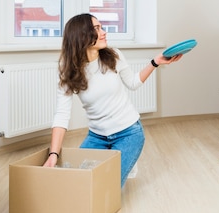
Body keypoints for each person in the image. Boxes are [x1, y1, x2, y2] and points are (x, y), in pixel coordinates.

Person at [43, 13, 182, 187]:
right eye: (97, 29)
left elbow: (133, 82)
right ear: (82, 36)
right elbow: (62, 115)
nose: (104, 32)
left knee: (105, 188)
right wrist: (53, 154)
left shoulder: (113, 56)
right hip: (97, 137)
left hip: (129, 133)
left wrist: (155, 62)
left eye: (101, 27)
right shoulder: (68, 71)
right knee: (76, 182)